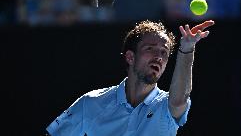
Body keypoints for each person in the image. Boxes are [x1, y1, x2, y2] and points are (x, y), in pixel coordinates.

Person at [45, 19, 215, 136]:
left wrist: (186, 48)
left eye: (164, 53)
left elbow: (179, 101)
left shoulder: (166, 106)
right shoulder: (92, 102)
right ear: (130, 57)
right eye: (150, 49)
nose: (159, 57)